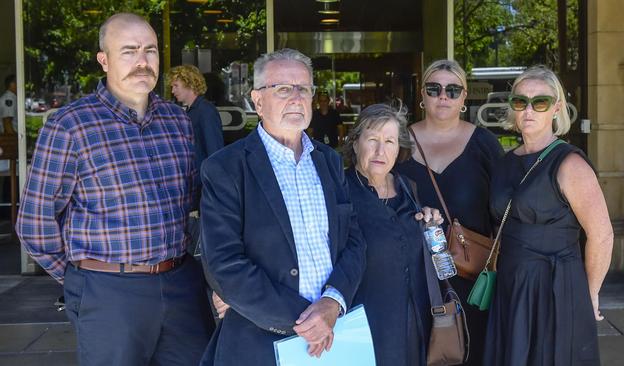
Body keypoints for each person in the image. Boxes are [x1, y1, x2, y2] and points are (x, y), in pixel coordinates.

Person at [15, 13, 213, 366]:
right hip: (108, 291)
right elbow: (34, 222)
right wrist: (83, 278)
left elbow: (192, 198)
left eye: (150, 51)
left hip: (181, 284)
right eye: (129, 51)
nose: (142, 61)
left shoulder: (177, 120)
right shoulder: (70, 126)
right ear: (103, 60)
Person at [199, 48, 366, 365]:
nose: (296, 98)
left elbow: (354, 241)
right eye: (283, 89)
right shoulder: (226, 168)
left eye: (303, 88)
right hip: (261, 341)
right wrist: (305, 322)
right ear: (257, 101)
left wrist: (332, 303)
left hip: (334, 338)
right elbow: (224, 264)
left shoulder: (329, 162)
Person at [484, 65, 613, 366]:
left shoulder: (569, 164)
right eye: (520, 101)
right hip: (511, 285)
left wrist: (589, 294)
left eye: (539, 102)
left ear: (556, 107)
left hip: (556, 287)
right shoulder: (504, 163)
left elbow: (602, 234)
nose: (529, 110)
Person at [395, 59, 504, 365]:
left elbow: (504, 210)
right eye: (435, 88)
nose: (443, 96)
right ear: (423, 93)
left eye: (453, 90)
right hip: (415, 275)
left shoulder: (484, 144)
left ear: (464, 97)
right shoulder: (399, 142)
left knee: (471, 350)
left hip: (470, 275)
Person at [343, 103, 443, 365]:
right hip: (365, 324)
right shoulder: (341, 193)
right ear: (355, 144)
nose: (380, 151)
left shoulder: (408, 188)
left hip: (415, 319)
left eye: (389, 141)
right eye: (372, 139)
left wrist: (431, 224)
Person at [167, 65, 224, 257]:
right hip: (194, 187)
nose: (173, 91)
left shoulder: (205, 111)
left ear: (188, 83)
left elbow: (215, 153)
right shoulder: (191, 112)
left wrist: (209, 190)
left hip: (201, 189)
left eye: (176, 85)